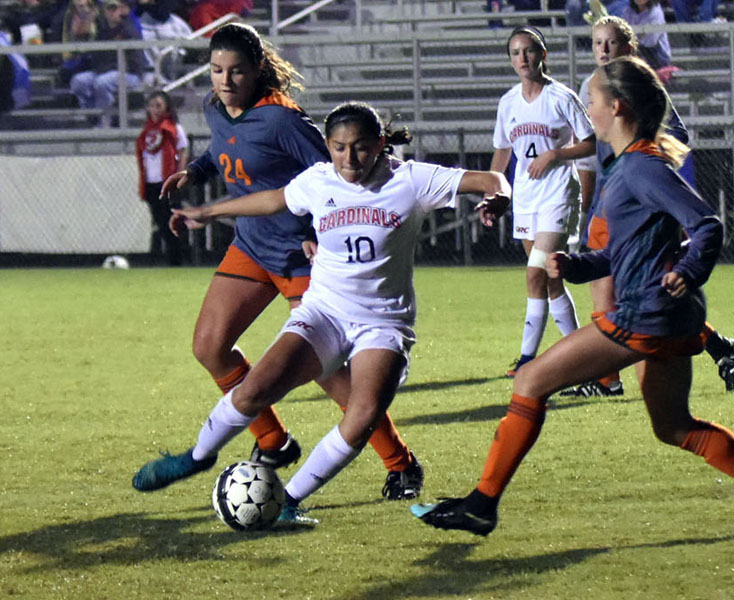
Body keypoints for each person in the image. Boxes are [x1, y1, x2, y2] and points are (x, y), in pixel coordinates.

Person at [412, 56, 734, 538]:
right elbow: (625, 251)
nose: (587, 111)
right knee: (672, 426)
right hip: (667, 316)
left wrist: (688, 270)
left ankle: (481, 505)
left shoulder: (643, 167)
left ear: (617, 107)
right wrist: (579, 265)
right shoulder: (627, 164)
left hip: (647, 314)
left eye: (591, 102)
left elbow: (707, 224)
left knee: (530, 382)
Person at [132, 101, 514, 526]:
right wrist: (207, 211)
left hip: (383, 323)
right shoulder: (318, 180)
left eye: (361, 148)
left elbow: (492, 177)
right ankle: (196, 456)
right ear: (328, 146)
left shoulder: (411, 179)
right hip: (324, 313)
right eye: (338, 148)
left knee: (363, 414)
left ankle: (287, 501)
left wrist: (496, 198)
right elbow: (275, 200)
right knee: (254, 390)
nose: (349, 159)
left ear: (381, 144)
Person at [148, 23, 424, 501]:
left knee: (330, 372)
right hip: (253, 246)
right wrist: (194, 171)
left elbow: (336, 173)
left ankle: (401, 465)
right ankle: (273, 443)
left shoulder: (283, 119)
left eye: (236, 71)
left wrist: (320, 234)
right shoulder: (218, 109)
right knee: (210, 346)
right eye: (216, 70)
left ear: (258, 70)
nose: (226, 80)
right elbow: (223, 150)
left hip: (302, 254)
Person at [565, 15, 734, 397]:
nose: (603, 50)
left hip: (636, 206)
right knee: (615, 292)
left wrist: (641, 167)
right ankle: (714, 348)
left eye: (611, 43)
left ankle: (608, 379)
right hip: (608, 203)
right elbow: (595, 143)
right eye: (597, 43)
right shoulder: (593, 85)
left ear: (629, 48)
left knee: (636, 296)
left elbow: (674, 134)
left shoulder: (641, 88)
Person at [492, 25, 597, 378]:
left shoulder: (562, 97)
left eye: (529, 50)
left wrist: (555, 154)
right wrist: (494, 194)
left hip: (557, 195)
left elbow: (590, 142)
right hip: (525, 197)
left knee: (536, 273)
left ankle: (526, 359)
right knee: (551, 281)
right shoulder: (508, 103)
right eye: (515, 53)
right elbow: (503, 150)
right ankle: (584, 361)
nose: (523, 58)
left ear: (543, 55)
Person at [68, 0, 144, 127]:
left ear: (121, 10)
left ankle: (107, 122)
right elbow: (82, 44)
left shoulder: (128, 28)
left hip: (129, 74)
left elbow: (133, 63)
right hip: (103, 72)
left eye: (115, 8)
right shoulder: (100, 29)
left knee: (102, 82)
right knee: (79, 81)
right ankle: (92, 119)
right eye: (109, 8)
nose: (111, 12)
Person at [135, 90, 188, 265]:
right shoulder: (146, 131)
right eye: (151, 106)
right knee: (160, 221)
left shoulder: (174, 128)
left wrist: (179, 176)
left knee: (173, 220)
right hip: (151, 182)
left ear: (166, 108)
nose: (154, 110)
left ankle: (178, 259)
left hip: (168, 181)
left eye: (158, 106)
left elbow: (183, 149)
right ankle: (168, 258)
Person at [621, 0, 671, 71]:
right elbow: (623, 33)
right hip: (635, 49)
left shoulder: (655, 12)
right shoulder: (628, 11)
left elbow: (650, 41)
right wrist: (640, 34)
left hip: (657, 55)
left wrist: (635, 36)